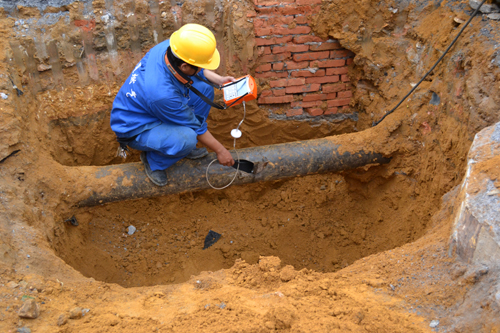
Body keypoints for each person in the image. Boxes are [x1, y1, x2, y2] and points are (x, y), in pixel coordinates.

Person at [110, 24, 235, 186]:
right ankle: (154, 162)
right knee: (188, 138)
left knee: (205, 88)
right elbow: (198, 129)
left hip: (150, 107)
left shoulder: (172, 47)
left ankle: (177, 140)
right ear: (184, 67)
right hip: (135, 126)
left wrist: (219, 80)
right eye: (201, 66)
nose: (202, 68)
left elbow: (194, 66)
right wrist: (221, 151)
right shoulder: (162, 94)